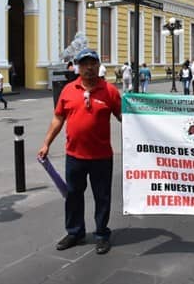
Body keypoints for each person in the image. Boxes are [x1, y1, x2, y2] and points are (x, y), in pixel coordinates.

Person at [38, 48, 122, 255]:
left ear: (98, 65)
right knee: (73, 196)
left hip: (102, 157)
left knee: (102, 197)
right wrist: (46, 143)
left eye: (93, 63)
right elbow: (58, 118)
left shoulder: (109, 91)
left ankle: (102, 234)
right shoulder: (68, 90)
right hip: (74, 156)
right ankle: (75, 232)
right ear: (78, 66)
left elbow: (124, 117)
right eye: (84, 64)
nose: (89, 67)